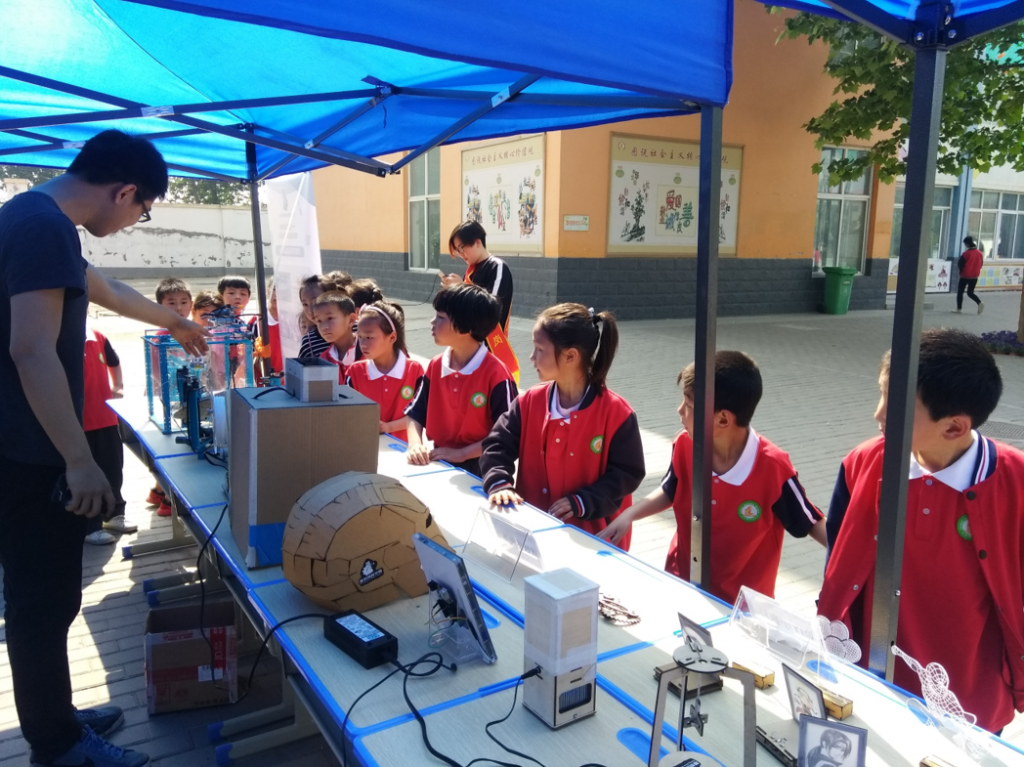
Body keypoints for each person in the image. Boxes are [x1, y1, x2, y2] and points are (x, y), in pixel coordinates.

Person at [0, 129, 206, 767]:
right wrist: (79, 460)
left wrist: (175, 321)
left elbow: (106, 290)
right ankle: (58, 745)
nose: (133, 221)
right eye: (141, 210)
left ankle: (55, 717)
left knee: (48, 598)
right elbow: (31, 350)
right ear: (124, 191)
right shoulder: (42, 228)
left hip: (25, 444)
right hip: (29, 453)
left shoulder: (35, 217)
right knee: (43, 602)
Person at [819, 328, 1024, 734]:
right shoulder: (862, 463)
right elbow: (836, 565)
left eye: (894, 404)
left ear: (954, 427)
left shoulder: (1014, 483)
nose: (878, 414)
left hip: (971, 700)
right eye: (881, 394)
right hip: (872, 681)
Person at [599, 351, 825, 604]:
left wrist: (851, 558)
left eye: (689, 405)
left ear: (723, 419)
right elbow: (671, 489)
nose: (679, 410)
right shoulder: (685, 444)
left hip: (740, 607)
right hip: (681, 582)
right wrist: (629, 515)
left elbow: (811, 522)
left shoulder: (774, 467)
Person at [480, 304, 644, 547]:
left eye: (539, 350)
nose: (531, 357)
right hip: (533, 532)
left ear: (570, 356)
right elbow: (496, 445)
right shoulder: (529, 401)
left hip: (593, 541)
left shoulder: (617, 413)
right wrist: (499, 482)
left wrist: (582, 502)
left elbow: (627, 475)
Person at [405, 283, 518, 476]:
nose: (432, 322)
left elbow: (508, 435)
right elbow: (415, 413)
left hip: (485, 469)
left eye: (440, 317)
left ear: (466, 327)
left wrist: (463, 453)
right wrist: (415, 445)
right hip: (440, 460)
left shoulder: (497, 373)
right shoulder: (435, 365)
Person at [441, 221, 518, 382]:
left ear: (477, 242)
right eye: (457, 251)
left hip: (490, 349)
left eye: (462, 248)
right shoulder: (471, 271)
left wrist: (462, 287)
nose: (461, 254)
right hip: (469, 349)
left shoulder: (497, 267)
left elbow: (491, 309)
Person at [82, 323, 136, 545]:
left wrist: (118, 385)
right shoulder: (57, 335)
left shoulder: (98, 336)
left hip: (106, 417)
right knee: (87, 476)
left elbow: (114, 362)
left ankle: (114, 514)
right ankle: (89, 525)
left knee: (113, 468)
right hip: (78, 422)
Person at [345, 301, 424, 439]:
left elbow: (421, 414)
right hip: (364, 445)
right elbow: (348, 413)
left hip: (404, 449)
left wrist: (388, 427)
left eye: (369, 337)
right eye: (360, 337)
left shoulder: (415, 370)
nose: (363, 344)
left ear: (392, 337)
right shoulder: (354, 372)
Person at [313, 291, 362, 380]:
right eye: (319, 321)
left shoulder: (369, 352)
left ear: (351, 320)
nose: (324, 327)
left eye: (330, 318)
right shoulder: (324, 359)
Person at [299, 272, 347, 358]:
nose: (310, 310)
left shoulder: (359, 330)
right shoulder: (309, 344)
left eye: (315, 302)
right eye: (305, 304)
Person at [955, 236, 984, 314]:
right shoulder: (979, 253)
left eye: (965, 244)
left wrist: (961, 271)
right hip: (975, 276)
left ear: (967, 244)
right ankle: (979, 302)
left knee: (960, 292)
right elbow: (981, 264)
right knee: (970, 292)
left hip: (965, 275)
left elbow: (960, 264)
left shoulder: (966, 253)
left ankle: (959, 308)